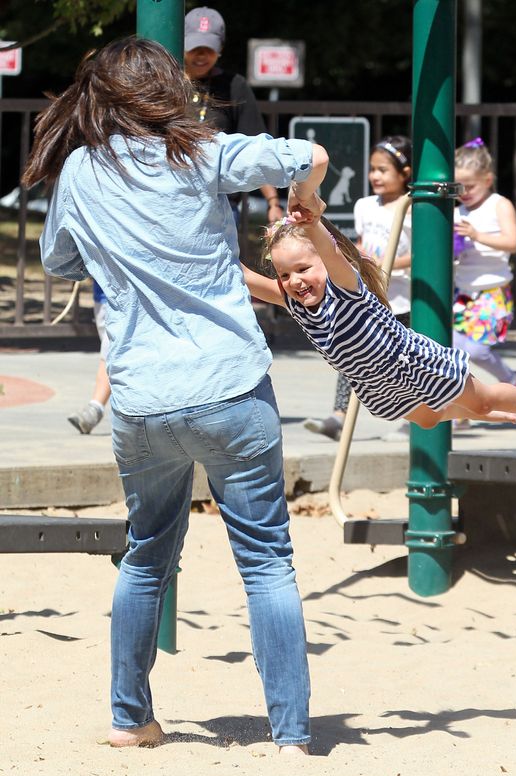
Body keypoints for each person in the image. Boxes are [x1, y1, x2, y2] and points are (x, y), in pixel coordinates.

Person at [22, 37, 329, 755]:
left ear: (98, 98)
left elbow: (59, 259)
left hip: (141, 399)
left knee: (146, 555)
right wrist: (305, 205)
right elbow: (308, 156)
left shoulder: (79, 172)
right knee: (267, 561)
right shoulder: (205, 153)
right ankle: (290, 737)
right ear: (167, 91)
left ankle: (130, 719)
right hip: (229, 386)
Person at [243, 206, 516, 453]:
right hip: (374, 384)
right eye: (285, 275)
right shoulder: (294, 301)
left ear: (326, 262)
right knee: (429, 420)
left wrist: (313, 223)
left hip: (412, 361)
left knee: (484, 401)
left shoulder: (344, 286)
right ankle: (482, 413)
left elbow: (329, 251)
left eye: (303, 268)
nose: (295, 281)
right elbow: (249, 281)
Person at [303, 135, 413, 442]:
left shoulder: (411, 208)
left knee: (400, 363)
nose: (375, 176)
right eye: (373, 169)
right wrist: (362, 263)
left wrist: (388, 263)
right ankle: (338, 418)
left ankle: (414, 418)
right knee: (353, 353)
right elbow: (364, 244)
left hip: (403, 300)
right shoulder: (365, 205)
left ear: (404, 173)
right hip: (372, 295)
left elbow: (422, 256)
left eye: (383, 170)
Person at [184, 6, 284, 225]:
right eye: (194, 47)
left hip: (222, 201)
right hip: (177, 195)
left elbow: (255, 143)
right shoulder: (168, 83)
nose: (201, 55)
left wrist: (273, 201)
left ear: (220, 48)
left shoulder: (235, 85)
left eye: (208, 48)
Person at [452, 137, 516, 429]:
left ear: (488, 179)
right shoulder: (457, 211)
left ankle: (511, 378)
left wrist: (477, 236)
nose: (464, 193)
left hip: (492, 292)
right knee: (454, 353)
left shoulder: (498, 204)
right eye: (459, 187)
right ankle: (461, 409)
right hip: (462, 292)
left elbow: (513, 242)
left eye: (470, 186)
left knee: (475, 350)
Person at [67, 280, 111, 433]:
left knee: (112, 348)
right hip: (103, 293)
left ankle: (96, 406)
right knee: (111, 351)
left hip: (130, 294)